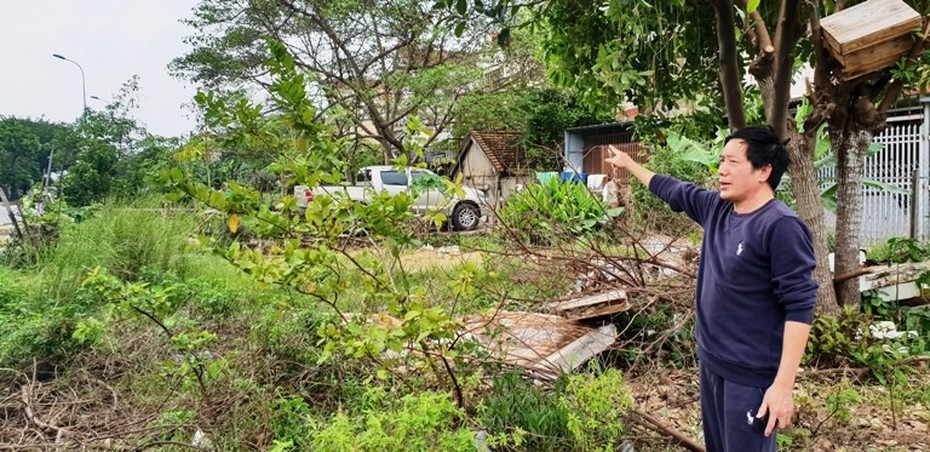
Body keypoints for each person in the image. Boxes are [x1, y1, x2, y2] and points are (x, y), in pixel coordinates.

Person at [606, 126, 817, 451]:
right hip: (713, 362)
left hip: (750, 376)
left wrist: (783, 387)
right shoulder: (717, 208)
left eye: (733, 162)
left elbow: (800, 307)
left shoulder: (780, 226)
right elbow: (671, 189)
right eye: (721, 160)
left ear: (763, 171)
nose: (722, 170)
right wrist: (629, 164)